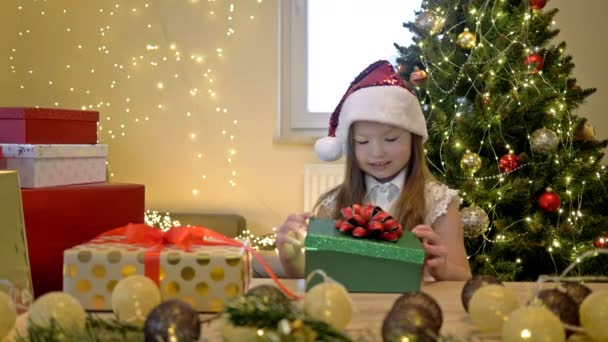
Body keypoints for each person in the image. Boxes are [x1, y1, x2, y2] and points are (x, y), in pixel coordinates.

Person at [277, 60, 472, 281]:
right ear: (350, 146)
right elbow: (315, 277)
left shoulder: (439, 203)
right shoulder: (332, 205)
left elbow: (463, 276)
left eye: (391, 139)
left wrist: (443, 269)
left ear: (414, 139)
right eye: (362, 142)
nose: (377, 152)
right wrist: (289, 258)